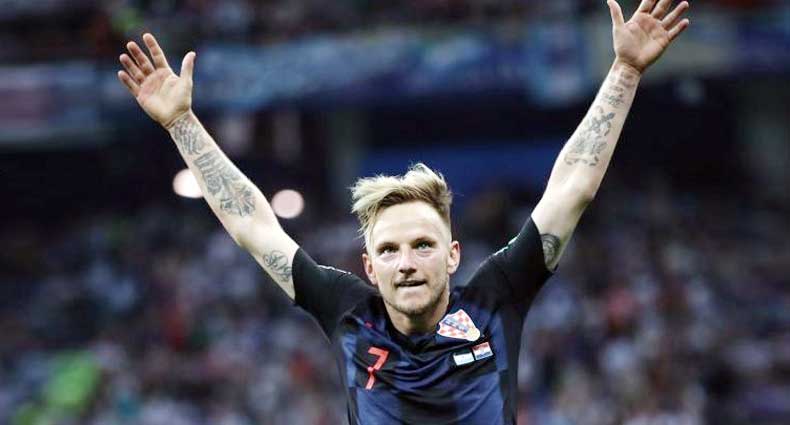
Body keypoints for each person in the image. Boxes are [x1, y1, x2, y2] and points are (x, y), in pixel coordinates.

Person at [116, 0, 690, 423]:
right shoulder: (348, 313)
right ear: (369, 267)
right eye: (388, 250)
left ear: (452, 255)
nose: (406, 262)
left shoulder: (495, 300)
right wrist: (181, 123)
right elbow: (251, 223)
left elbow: (571, 190)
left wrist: (625, 71)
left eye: (421, 245)